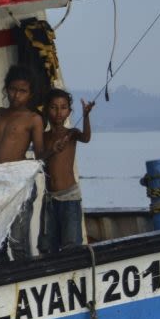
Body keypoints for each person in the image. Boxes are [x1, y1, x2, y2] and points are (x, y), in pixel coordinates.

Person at [0, 65, 45, 262]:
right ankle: (2, 282)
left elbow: (40, 155)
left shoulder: (34, 119)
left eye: (22, 91)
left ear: (30, 94)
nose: (16, 95)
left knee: (18, 241)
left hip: (19, 185)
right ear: (6, 88)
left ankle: (25, 280)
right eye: (13, 89)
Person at [41, 89, 95, 253]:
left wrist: (86, 116)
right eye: (54, 107)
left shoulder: (71, 134)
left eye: (63, 107)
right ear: (46, 110)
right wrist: (53, 150)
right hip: (50, 199)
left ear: (69, 112)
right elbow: (40, 158)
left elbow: (86, 137)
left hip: (69, 198)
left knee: (71, 244)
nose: (58, 112)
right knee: (47, 245)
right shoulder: (43, 137)